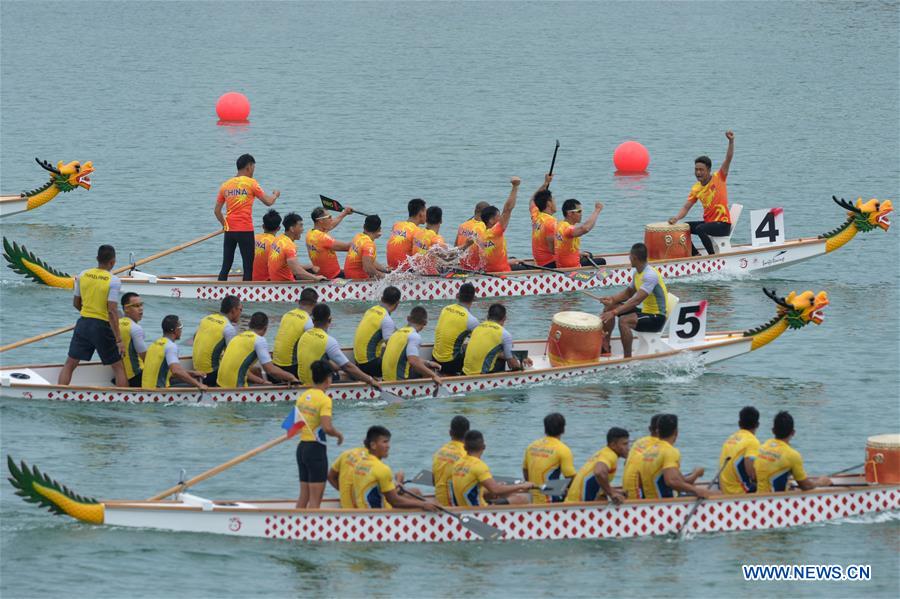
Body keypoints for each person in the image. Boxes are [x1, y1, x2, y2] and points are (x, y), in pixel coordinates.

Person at [58, 245, 128, 387]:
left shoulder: (83, 275)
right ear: (113, 262)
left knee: (70, 363)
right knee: (118, 367)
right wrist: (119, 340)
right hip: (102, 326)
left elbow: (76, 303)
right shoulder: (114, 281)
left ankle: (59, 391)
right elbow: (112, 311)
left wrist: (88, 315)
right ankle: (124, 401)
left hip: (83, 323)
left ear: (97, 259)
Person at [668, 130, 735, 255]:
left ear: (708, 170)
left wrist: (731, 141)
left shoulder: (719, 177)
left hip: (723, 225)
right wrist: (676, 218)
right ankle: (695, 255)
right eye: (696, 169)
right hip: (708, 223)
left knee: (700, 229)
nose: (698, 173)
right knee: (682, 228)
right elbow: (686, 207)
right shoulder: (696, 188)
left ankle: (712, 257)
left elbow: (728, 158)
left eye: (701, 170)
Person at [215, 154, 280, 281]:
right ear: (249, 167)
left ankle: (219, 289)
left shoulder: (225, 185)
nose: (253, 171)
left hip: (230, 231)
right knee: (248, 266)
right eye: (253, 167)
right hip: (245, 230)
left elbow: (217, 211)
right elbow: (268, 202)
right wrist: (275, 195)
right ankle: (247, 294)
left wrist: (225, 224)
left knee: (226, 265)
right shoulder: (252, 183)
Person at [599, 243, 669, 358]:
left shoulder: (650, 275)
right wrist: (612, 300)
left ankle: (627, 359)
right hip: (645, 312)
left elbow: (636, 300)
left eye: (630, 257)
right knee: (610, 307)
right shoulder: (637, 272)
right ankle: (606, 346)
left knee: (624, 321)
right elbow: (628, 293)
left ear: (635, 258)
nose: (629, 259)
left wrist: (614, 313)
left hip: (657, 318)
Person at [624, 414, 713, 500]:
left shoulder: (648, 450)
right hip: (665, 505)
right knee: (717, 494)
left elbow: (679, 480)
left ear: (658, 431)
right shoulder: (670, 451)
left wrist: (695, 474)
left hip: (650, 502)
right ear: (676, 432)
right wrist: (696, 490)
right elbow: (671, 481)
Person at [295, 360, 344, 509]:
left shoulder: (303, 396)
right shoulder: (325, 400)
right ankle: (310, 530)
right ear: (328, 378)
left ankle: (296, 528)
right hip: (315, 450)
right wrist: (338, 435)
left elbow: (294, 426)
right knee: (315, 501)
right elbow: (327, 427)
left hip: (301, 448)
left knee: (304, 497)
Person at [351, 425, 436, 510]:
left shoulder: (359, 463)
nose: (388, 446)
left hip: (364, 510)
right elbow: (395, 502)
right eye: (385, 442)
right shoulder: (382, 468)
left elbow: (379, 489)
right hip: (379, 517)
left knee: (415, 491)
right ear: (373, 445)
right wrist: (423, 504)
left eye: (388, 442)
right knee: (424, 502)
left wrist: (398, 482)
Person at [296, 303, 380, 388]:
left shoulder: (304, 335)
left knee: (341, 371)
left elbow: (317, 357)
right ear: (330, 320)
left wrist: (338, 367)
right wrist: (370, 380)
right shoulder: (328, 341)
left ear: (312, 320)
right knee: (350, 375)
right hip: (319, 385)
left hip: (303, 382)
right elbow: (348, 367)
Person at [451, 430, 535, 506]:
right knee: (522, 498)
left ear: (465, 448)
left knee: (501, 492)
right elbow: (496, 490)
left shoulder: (457, 464)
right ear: (484, 447)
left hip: (462, 508)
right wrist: (522, 486)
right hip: (478, 511)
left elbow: (474, 489)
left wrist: (500, 487)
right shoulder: (479, 466)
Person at [755, 411, 831, 493]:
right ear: (793, 432)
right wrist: (820, 482)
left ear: (773, 431)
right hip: (776, 501)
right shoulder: (792, 455)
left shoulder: (762, 447)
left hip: (758, 497)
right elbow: (806, 486)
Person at [216, 312, 298, 387]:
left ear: (249, 325)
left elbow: (241, 369)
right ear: (265, 328)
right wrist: (292, 378)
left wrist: (262, 382)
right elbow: (270, 370)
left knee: (257, 370)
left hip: (219, 385)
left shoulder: (237, 337)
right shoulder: (259, 340)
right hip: (235, 388)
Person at [522, 413, 577, 503]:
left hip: (531, 497)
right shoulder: (563, 449)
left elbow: (525, 470)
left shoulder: (531, 446)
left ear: (545, 429)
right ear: (563, 429)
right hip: (548, 500)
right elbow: (570, 477)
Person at [565, 427, 629, 504]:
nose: (628, 448)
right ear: (613, 445)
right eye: (624, 444)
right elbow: (599, 472)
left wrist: (612, 490)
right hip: (577, 507)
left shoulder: (603, 452)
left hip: (571, 502)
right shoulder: (610, 456)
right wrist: (612, 494)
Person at [142, 315, 207, 390]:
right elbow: (176, 371)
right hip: (158, 391)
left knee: (191, 380)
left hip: (146, 387)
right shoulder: (171, 346)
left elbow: (169, 372)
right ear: (176, 330)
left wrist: (192, 373)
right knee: (195, 384)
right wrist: (199, 385)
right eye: (180, 327)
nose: (181, 330)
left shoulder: (154, 344)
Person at [462, 303, 530, 375]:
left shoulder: (477, 327)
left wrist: (519, 357)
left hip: (465, 372)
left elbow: (489, 351)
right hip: (481, 375)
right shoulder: (505, 334)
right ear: (504, 318)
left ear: (487, 316)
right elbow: (512, 364)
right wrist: (522, 368)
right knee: (504, 361)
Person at [381, 306, 443, 384]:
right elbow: (413, 361)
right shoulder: (414, 336)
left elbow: (407, 358)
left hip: (385, 380)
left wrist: (428, 362)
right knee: (429, 371)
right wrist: (434, 375)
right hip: (398, 383)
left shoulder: (395, 333)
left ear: (408, 318)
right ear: (425, 323)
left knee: (425, 366)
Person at [352, 286, 401, 378]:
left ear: (382, 298)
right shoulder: (386, 319)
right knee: (403, 362)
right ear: (397, 303)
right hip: (368, 365)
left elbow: (394, 331)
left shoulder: (371, 310)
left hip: (357, 361)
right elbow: (392, 348)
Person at [192, 295, 242, 386]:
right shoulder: (229, 328)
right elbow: (232, 358)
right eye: (240, 309)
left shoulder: (206, 318)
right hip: (210, 375)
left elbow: (195, 337)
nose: (241, 313)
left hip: (195, 369)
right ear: (233, 310)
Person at [478, 177, 524, 273]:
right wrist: (515, 187)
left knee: (514, 259)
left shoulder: (480, 235)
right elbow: (507, 209)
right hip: (503, 274)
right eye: (498, 216)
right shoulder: (495, 232)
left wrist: (510, 261)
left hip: (488, 271)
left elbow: (492, 259)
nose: (500, 219)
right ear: (491, 220)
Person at [432, 283, 479, 376]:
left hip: (434, 358)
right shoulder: (472, 320)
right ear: (474, 298)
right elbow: (479, 344)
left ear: (457, 295)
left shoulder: (445, 309)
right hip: (450, 363)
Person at [272, 288, 318, 378]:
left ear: (299, 301)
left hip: (275, 365)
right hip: (290, 368)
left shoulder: (286, 315)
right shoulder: (308, 321)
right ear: (314, 304)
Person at [268, 213, 326, 282]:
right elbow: (297, 272)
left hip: (276, 280)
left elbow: (289, 265)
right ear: (292, 229)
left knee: (313, 269)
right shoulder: (289, 246)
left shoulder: (278, 239)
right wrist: (315, 278)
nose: (302, 229)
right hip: (286, 285)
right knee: (320, 277)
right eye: (300, 226)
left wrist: (309, 267)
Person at [719, 406, 761, 494]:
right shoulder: (752, 441)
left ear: (739, 423)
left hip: (723, 488)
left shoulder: (731, 438)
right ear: (757, 424)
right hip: (738, 491)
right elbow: (751, 473)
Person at [553, 199, 604, 268]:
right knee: (602, 261)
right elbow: (585, 228)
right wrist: (597, 210)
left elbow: (563, 249)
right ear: (569, 213)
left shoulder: (560, 225)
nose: (581, 214)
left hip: (563, 263)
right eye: (579, 211)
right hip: (571, 268)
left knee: (589, 254)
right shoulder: (567, 229)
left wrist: (579, 254)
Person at [306, 206, 354, 279]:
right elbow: (348, 247)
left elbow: (331, 225)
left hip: (322, 274)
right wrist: (361, 240)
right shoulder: (323, 238)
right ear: (321, 221)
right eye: (329, 217)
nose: (332, 219)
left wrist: (345, 213)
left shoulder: (310, 234)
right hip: (334, 277)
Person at [432, 416, 470, 506]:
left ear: (450, 433)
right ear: (468, 434)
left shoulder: (438, 452)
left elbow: (434, 482)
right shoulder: (467, 455)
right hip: (455, 507)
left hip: (440, 503)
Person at [621, 414, 662, 497]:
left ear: (650, 429)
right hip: (638, 497)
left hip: (628, 492)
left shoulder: (639, 442)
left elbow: (625, 463)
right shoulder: (660, 445)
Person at [412, 206, 459, 274]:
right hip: (430, 275)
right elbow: (447, 258)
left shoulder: (417, 233)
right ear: (441, 221)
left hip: (416, 270)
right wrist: (466, 245)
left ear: (426, 219)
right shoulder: (437, 238)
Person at [344, 215, 390, 280]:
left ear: (364, 226)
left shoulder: (358, 237)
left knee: (383, 270)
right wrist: (385, 277)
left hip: (348, 275)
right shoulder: (369, 245)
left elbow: (370, 261)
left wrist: (386, 270)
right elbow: (368, 268)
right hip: (357, 281)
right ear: (379, 229)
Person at [387, 198, 426, 270]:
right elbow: (420, 256)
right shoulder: (418, 232)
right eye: (425, 211)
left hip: (391, 268)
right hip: (405, 271)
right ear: (421, 213)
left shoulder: (396, 225)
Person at [119, 292, 147, 387]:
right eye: (136, 306)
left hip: (121, 376)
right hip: (137, 376)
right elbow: (145, 357)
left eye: (141, 305)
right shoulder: (135, 328)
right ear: (126, 308)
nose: (141, 309)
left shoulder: (116, 324)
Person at [529, 173, 557, 267]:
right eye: (554, 200)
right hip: (550, 264)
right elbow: (553, 250)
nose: (555, 203)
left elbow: (532, 200)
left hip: (540, 262)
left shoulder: (536, 216)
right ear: (549, 203)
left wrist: (545, 183)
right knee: (600, 261)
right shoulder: (551, 222)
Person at [456, 201, 490, 270]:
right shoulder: (484, 228)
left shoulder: (462, 225)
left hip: (463, 265)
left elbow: (456, 247)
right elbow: (488, 252)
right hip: (476, 268)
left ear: (475, 211)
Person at [252, 209, 281, 281]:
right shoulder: (277, 243)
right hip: (267, 282)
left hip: (251, 279)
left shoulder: (253, 238)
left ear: (263, 226)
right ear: (279, 228)